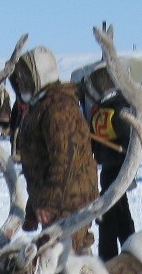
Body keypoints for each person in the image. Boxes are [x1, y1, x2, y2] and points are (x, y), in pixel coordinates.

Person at [10, 45, 99, 251]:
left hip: (70, 201)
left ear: (38, 76)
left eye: (25, 77)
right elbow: (41, 164)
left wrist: (47, 202)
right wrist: (34, 206)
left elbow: (64, 160)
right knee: (57, 258)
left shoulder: (59, 108)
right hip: (57, 201)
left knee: (69, 258)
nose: (21, 83)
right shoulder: (42, 107)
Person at [83, 64, 136, 260]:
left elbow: (130, 138)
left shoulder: (120, 108)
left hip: (120, 168)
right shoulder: (100, 109)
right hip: (107, 167)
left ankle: (122, 253)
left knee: (114, 212)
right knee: (112, 213)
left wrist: (125, 151)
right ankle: (113, 254)